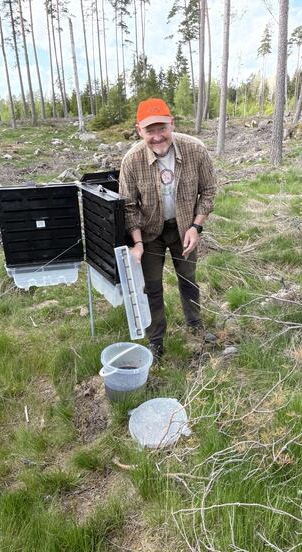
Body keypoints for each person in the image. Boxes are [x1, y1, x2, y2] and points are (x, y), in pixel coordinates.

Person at [119, 98, 217, 360]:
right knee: (152, 286)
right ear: (139, 130)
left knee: (188, 279)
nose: (157, 136)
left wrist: (196, 227)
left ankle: (195, 326)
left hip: (185, 227)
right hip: (150, 233)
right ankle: (156, 339)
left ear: (171, 124)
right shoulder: (131, 161)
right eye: (150, 130)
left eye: (162, 128)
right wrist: (137, 243)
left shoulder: (195, 150)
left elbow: (208, 191)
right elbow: (128, 206)